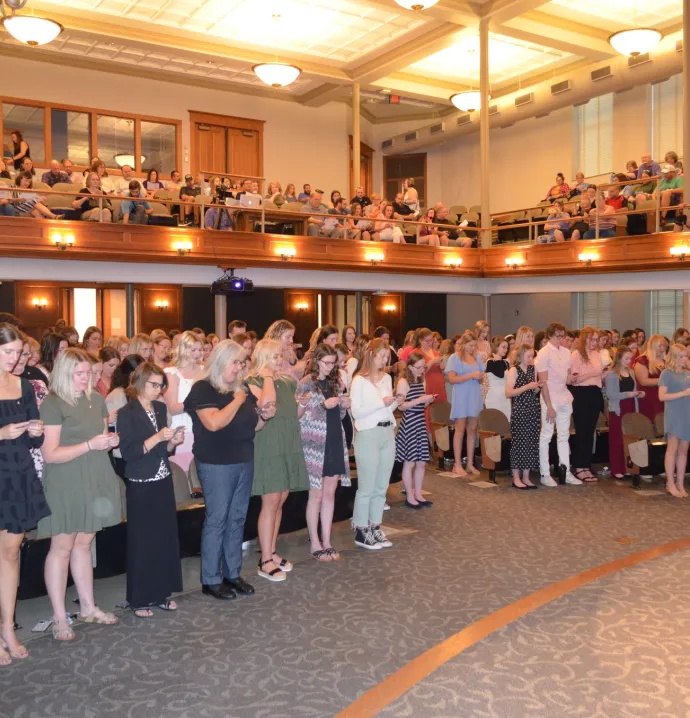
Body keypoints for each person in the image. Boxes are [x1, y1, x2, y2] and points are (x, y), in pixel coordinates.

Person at [38, 348, 122, 640]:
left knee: (84, 544)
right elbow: (50, 454)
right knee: (62, 547)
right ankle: (60, 618)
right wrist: (90, 445)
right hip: (65, 480)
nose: (86, 378)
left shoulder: (95, 399)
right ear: (64, 373)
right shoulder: (52, 403)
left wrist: (110, 440)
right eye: (80, 373)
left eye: (89, 373)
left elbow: (101, 440)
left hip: (94, 475)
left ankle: (87, 607)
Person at [185, 340, 273, 599]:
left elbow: (253, 426)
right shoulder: (204, 388)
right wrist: (236, 400)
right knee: (218, 519)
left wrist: (264, 416)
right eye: (236, 362)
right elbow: (213, 423)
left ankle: (231, 574)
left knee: (237, 519)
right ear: (222, 361)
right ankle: (210, 579)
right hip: (216, 462)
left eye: (242, 363)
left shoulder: (242, 388)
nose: (240, 368)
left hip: (244, 459)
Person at [117, 363, 184, 616]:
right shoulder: (127, 412)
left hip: (162, 477)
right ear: (140, 383)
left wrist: (171, 442)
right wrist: (158, 437)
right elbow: (130, 453)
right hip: (141, 482)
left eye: (161, 385)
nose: (159, 390)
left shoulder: (159, 407)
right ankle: (140, 598)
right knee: (142, 542)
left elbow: (162, 451)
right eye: (154, 384)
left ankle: (160, 593)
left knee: (164, 537)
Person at [0, 323, 50, 663]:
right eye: (7, 352)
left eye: (18, 353)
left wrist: (36, 430)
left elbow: (35, 439)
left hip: (16, 473)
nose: (14, 358)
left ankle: (8, 628)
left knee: (11, 553)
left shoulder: (23, 385)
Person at [246, 339, 309, 580]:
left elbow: (294, 414)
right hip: (268, 447)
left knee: (281, 499)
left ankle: (271, 551)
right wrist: (269, 377)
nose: (279, 359)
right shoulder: (253, 381)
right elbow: (266, 404)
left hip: (287, 444)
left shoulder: (285, 381)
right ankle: (264, 559)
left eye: (280, 356)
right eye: (274, 356)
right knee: (270, 501)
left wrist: (300, 404)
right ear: (262, 357)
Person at [298, 344, 351, 561]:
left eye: (333, 363)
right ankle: (315, 542)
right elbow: (299, 417)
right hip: (314, 444)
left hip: (335, 440)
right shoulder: (306, 383)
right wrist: (322, 406)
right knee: (316, 495)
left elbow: (337, 416)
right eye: (326, 362)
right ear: (316, 360)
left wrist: (343, 406)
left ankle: (327, 541)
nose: (330, 367)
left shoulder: (336, 381)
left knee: (330, 494)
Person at [350, 338, 401, 549]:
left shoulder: (387, 378)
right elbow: (357, 412)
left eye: (386, 357)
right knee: (367, 486)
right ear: (371, 354)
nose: (384, 361)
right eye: (381, 356)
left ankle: (375, 526)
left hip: (386, 431)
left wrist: (396, 401)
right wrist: (382, 402)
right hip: (368, 434)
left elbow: (387, 410)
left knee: (381, 485)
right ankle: (361, 529)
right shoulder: (358, 381)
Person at [535, 322, 581, 487]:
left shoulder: (566, 352)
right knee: (546, 435)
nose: (561, 340)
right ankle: (545, 473)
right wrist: (549, 406)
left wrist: (571, 379)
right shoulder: (543, 353)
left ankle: (566, 471)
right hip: (550, 398)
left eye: (563, 336)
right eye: (557, 337)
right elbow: (543, 382)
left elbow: (565, 377)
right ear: (549, 336)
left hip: (564, 397)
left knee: (564, 436)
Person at [395, 350, 435, 508]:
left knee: (421, 462)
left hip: (419, 422)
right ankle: (409, 495)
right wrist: (420, 400)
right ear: (410, 367)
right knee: (409, 462)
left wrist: (428, 401)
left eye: (423, 367)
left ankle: (418, 493)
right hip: (410, 423)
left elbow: (420, 404)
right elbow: (401, 406)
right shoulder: (403, 382)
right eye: (419, 367)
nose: (422, 370)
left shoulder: (421, 380)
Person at [568, 327, 605, 483]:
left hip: (595, 392)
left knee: (590, 432)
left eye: (596, 339)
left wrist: (604, 374)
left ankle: (586, 465)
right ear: (585, 339)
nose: (594, 342)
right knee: (581, 431)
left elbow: (599, 376)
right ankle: (578, 467)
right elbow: (574, 380)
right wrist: (593, 373)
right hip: (581, 394)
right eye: (592, 339)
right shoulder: (576, 355)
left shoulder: (597, 354)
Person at [445, 331, 484, 477]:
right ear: (464, 344)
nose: (472, 348)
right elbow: (452, 379)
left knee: (472, 429)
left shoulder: (476, 357)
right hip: (461, 395)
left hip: (474, 395)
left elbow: (480, 378)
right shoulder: (455, 357)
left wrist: (479, 377)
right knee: (459, 430)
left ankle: (469, 463)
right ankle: (457, 463)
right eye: (470, 345)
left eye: (474, 345)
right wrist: (471, 375)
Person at [164, 331, 203, 473]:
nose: (197, 354)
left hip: (203, 429)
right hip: (182, 430)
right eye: (193, 350)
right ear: (183, 349)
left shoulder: (204, 370)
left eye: (200, 350)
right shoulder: (172, 373)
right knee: (184, 477)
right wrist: (196, 402)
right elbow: (172, 408)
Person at [605, 346, 644, 480]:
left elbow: (633, 390)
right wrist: (629, 394)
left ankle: (629, 467)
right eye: (626, 358)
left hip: (630, 406)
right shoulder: (612, 374)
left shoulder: (631, 372)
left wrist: (639, 394)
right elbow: (611, 395)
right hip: (618, 408)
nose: (628, 361)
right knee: (617, 439)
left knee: (630, 438)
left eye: (630, 358)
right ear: (619, 358)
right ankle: (617, 468)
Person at [505, 343, 541, 489]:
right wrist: (527, 387)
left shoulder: (533, 369)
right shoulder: (514, 370)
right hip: (520, 410)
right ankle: (515, 477)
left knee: (531, 443)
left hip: (533, 408)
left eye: (532, 356)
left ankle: (526, 476)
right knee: (519, 443)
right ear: (520, 356)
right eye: (528, 356)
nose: (531, 359)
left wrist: (538, 387)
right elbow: (508, 392)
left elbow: (534, 391)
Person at [105, 354, 146, 479]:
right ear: (132, 374)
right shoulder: (117, 395)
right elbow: (116, 430)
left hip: (141, 452)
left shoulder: (143, 393)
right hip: (124, 455)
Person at [658, 344, 690, 497]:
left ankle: (680, 483)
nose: (685, 359)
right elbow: (662, 396)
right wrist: (683, 393)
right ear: (675, 357)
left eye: (687, 356)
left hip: (687, 413)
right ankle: (670, 482)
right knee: (673, 448)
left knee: (684, 450)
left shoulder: (687, 373)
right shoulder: (666, 373)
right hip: (674, 413)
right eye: (682, 356)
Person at [633, 334, 667, 422]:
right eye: (660, 346)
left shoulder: (666, 361)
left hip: (663, 397)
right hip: (649, 397)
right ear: (653, 346)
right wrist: (662, 381)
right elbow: (643, 381)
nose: (663, 348)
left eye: (664, 346)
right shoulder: (642, 360)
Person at [485, 336, 511, 420]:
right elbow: (500, 374)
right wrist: (498, 359)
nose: (505, 350)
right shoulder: (490, 362)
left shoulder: (506, 363)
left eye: (507, 348)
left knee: (506, 423)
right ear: (496, 347)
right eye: (503, 347)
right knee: (495, 424)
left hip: (505, 398)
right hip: (494, 398)